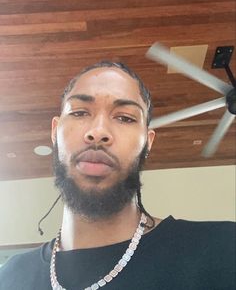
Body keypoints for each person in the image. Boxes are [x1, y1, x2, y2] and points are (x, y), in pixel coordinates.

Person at [0, 61, 235, 290]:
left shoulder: (223, 249)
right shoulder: (10, 276)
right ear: (55, 132)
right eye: (80, 112)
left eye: (125, 117)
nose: (98, 132)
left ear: (147, 142)